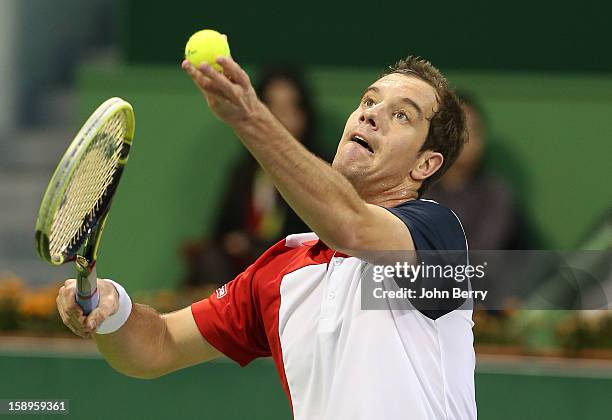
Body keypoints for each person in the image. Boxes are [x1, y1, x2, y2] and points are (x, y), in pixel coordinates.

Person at [57, 55, 476, 419]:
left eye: (401, 114)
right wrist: (111, 307)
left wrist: (251, 117)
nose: (371, 114)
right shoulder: (281, 272)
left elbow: (350, 226)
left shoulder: (437, 236)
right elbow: (156, 346)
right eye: (368, 101)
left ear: (425, 165)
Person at [182, 65, 317, 285]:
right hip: (240, 273)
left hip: (291, 268)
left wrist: (255, 246)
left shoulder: (321, 168)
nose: (280, 119)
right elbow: (220, 232)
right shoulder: (243, 172)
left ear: (303, 114)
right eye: (272, 108)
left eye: (287, 108)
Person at [424, 93, 530, 250]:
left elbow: (483, 254)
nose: (467, 138)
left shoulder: (495, 195)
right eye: (459, 129)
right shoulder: (416, 190)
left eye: (475, 129)